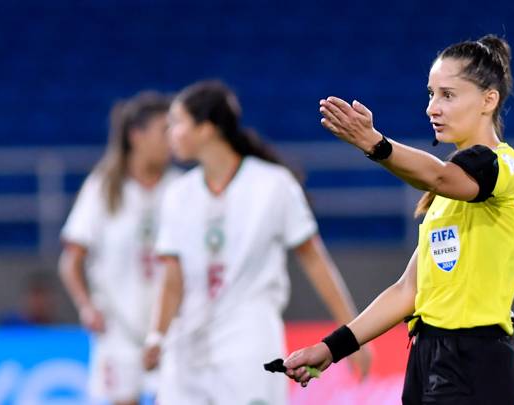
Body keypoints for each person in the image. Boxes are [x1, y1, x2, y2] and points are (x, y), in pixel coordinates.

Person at [283, 35, 514, 405]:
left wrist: (375, 144)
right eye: (431, 94)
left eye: (448, 95)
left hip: (476, 359)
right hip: (428, 355)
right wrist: (330, 348)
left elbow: (440, 176)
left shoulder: (512, 169)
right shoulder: (443, 202)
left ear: (489, 99)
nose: (433, 108)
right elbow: (408, 292)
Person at [143, 79, 372, 405]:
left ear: (206, 129)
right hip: (188, 346)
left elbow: (314, 260)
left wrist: (350, 336)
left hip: (249, 342)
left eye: (177, 123)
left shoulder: (273, 185)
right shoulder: (178, 194)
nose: (170, 134)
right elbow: (172, 281)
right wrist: (157, 335)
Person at [58, 91, 178, 405]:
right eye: (164, 130)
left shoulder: (181, 188)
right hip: (118, 328)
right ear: (136, 136)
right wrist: (86, 306)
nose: (173, 138)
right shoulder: (103, 188)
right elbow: (70, 261)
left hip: (171, 328)